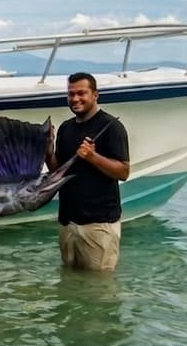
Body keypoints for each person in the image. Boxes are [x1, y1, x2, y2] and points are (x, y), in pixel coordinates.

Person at [45, 71, 130, 271]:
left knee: (97, 290)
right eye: (71, 94)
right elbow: (59, 171)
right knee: (70, 283)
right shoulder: (66, 128)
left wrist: (93, 156)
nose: (75, 99)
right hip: (68, 222)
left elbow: (124, 171)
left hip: (98, 225)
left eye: (81, 93)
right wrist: (47, 153)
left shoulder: (112, 127)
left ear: (95, 95)